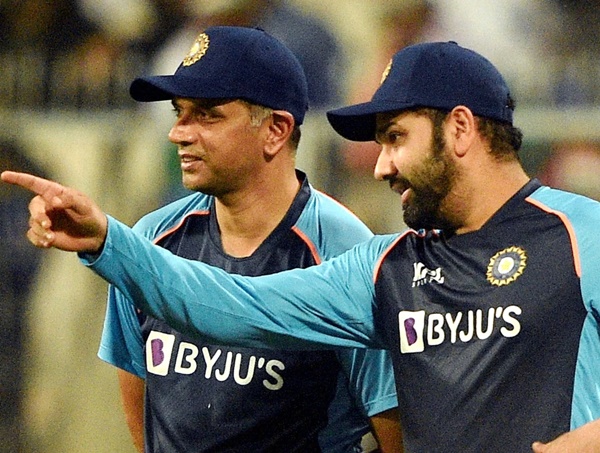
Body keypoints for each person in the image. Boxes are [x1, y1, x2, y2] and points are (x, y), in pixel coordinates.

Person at [4, 41, 600, 452]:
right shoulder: (385, 268)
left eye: (396, 138)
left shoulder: (583, 234)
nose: (381, 166)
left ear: (461, 128)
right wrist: (109, 242)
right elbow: (234, 306)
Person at [16, 26, 401, 453]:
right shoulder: (151, 238)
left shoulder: (344, 250)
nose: (178, 133)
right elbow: (144, 416)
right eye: (179, 112)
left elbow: (393, 428)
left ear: (275, 130)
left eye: (206, 115)